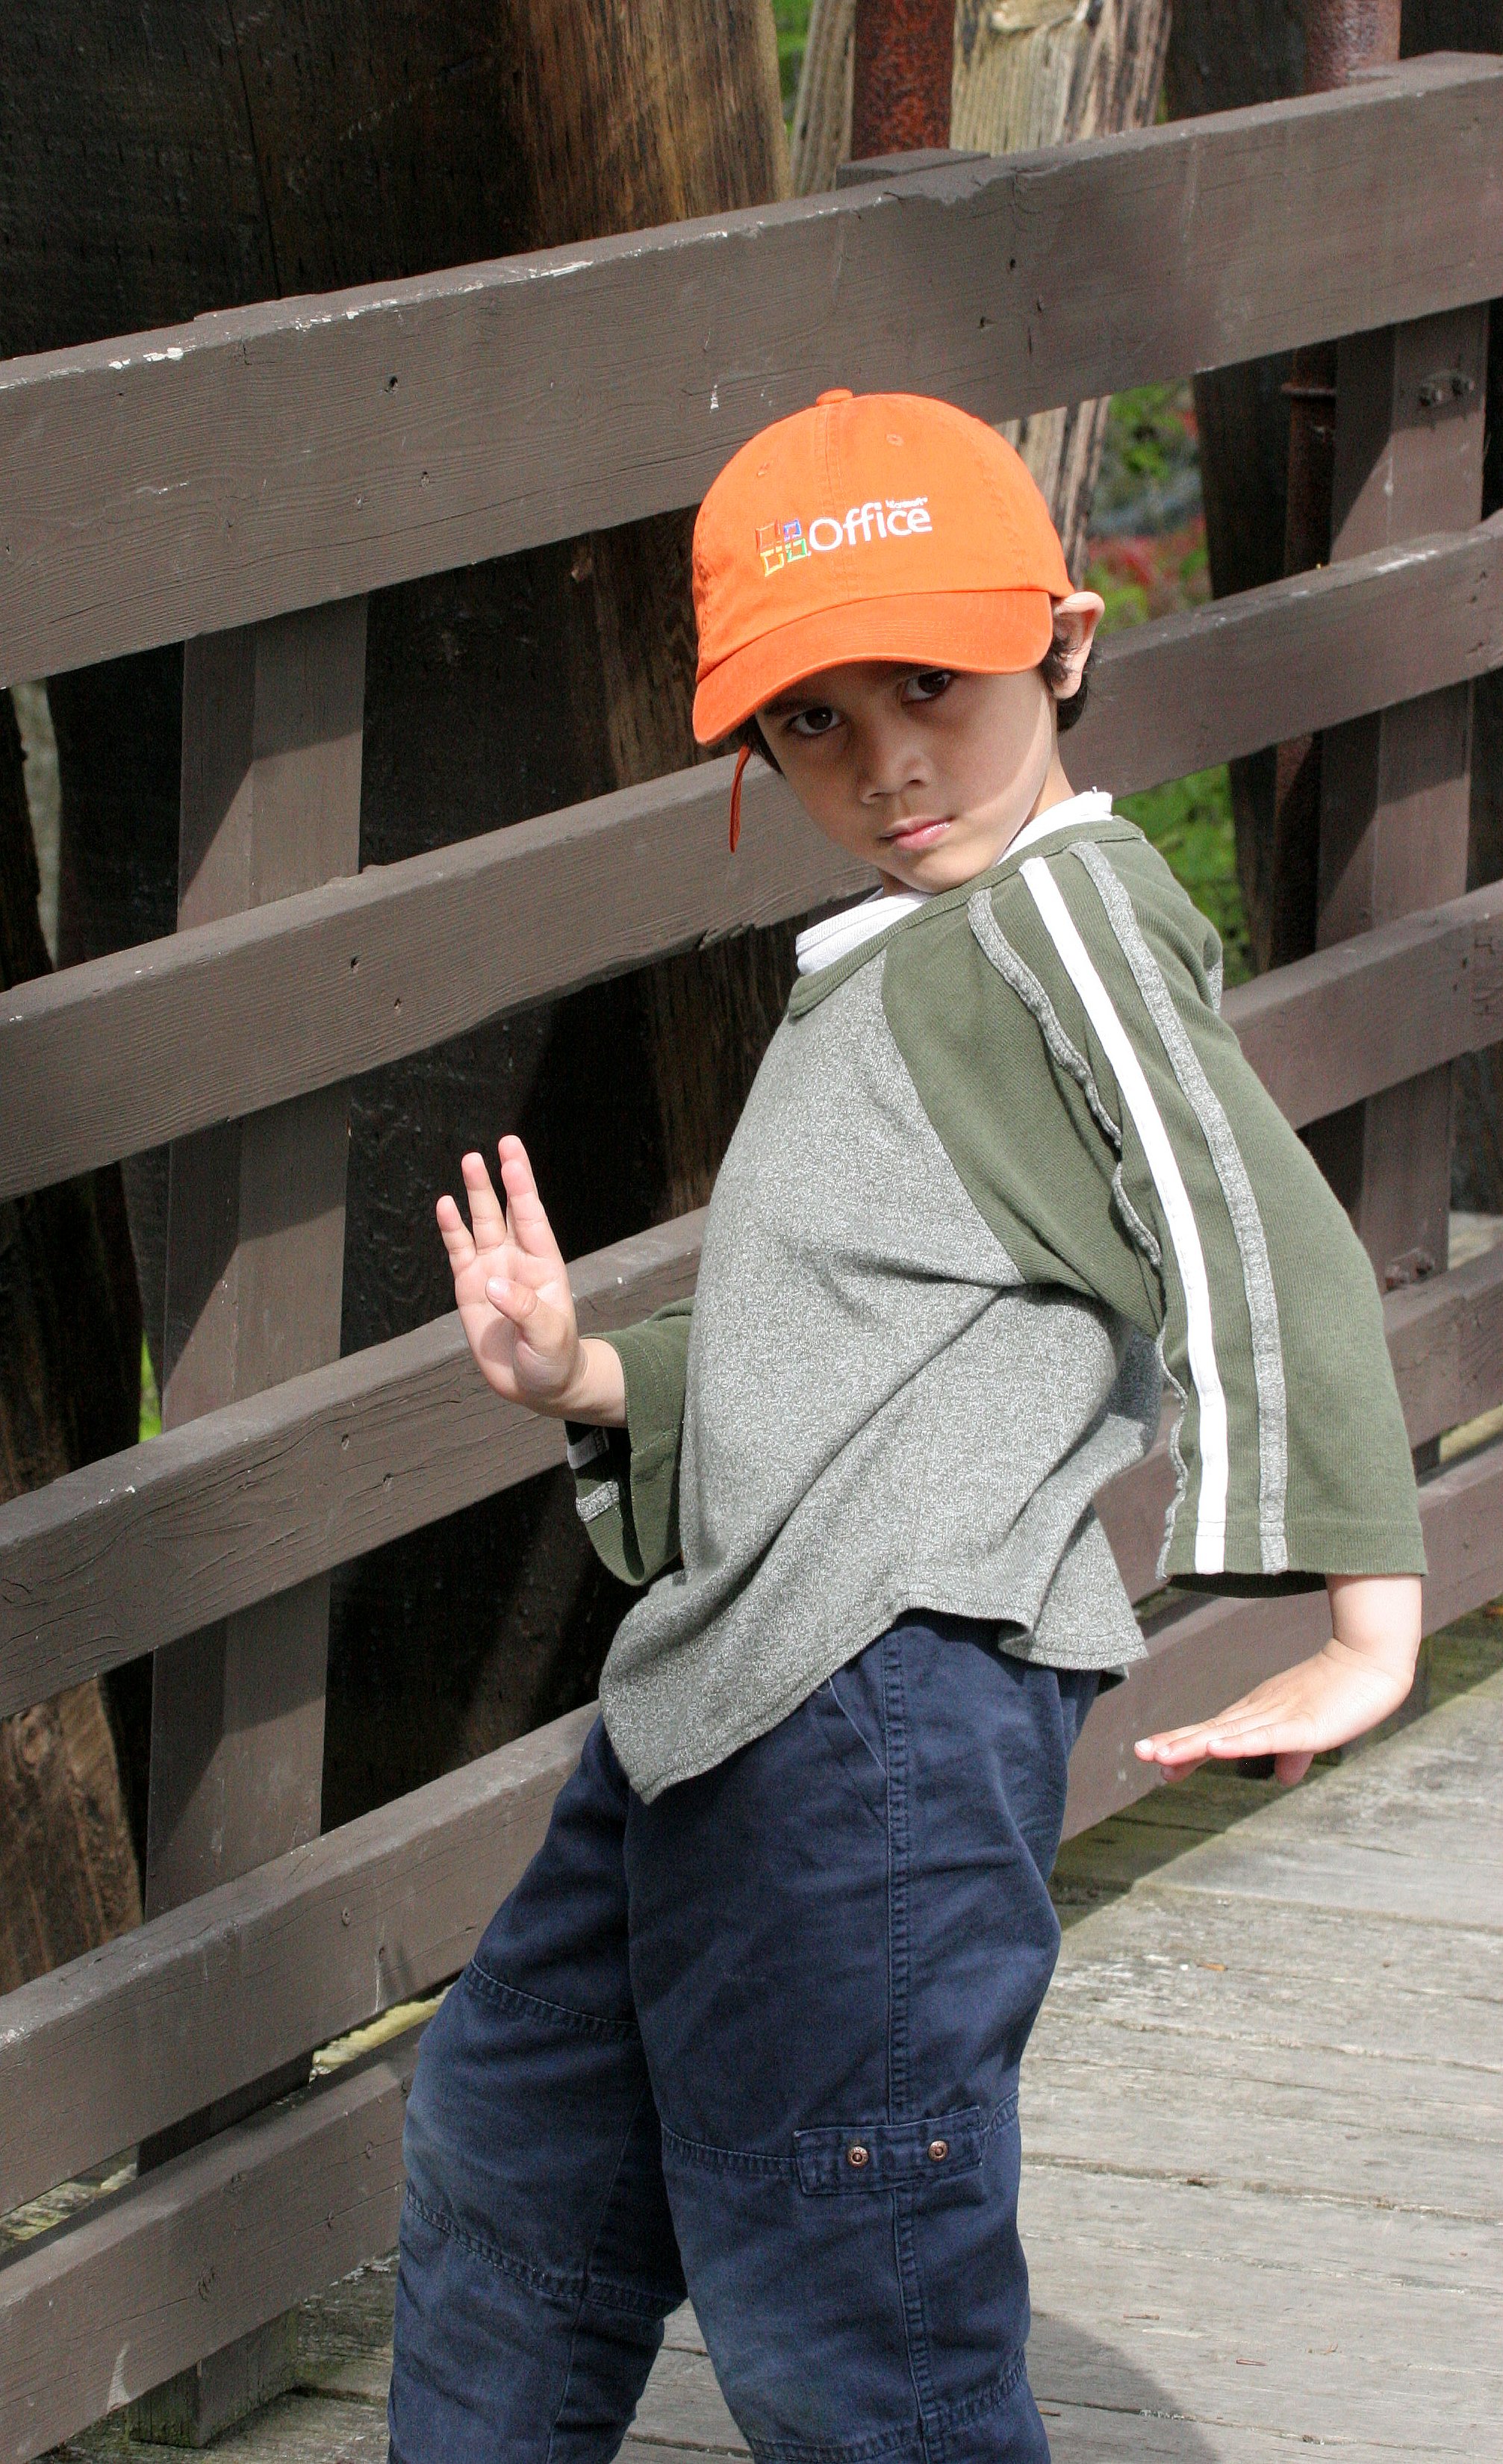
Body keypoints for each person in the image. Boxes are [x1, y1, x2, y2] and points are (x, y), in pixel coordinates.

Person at [388, 390, 1424, 2464]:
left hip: (875, 1718)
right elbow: (837, 1386)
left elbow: (1242, 1218)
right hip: (722, 1704)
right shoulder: (918, 956)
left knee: (846, 2291)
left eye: (931, 688)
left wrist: (1366, 1609)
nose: (891, 765)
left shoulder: (1056, 920)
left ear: (1061, 639)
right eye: (818, 727)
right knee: (515, 2142)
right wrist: (583, 1373)